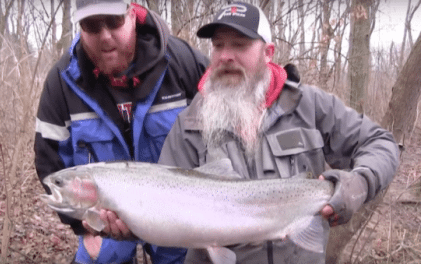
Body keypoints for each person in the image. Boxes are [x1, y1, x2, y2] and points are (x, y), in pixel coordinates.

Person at [85, 1, 399, 263]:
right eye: (219, 45)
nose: (225, 56)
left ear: (269, 52)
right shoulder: (189, 125)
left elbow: (381, 143)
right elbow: (165, 219)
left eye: (240, 45)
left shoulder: (311, 105)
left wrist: (357, 183)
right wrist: (129, 224)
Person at [34, 0, 209, 263]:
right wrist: (82, 226)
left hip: (181, 225)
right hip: (103, 232)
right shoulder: (62, 81)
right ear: (80, 27)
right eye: (92, 26)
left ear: (132, 13)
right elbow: (50, 162)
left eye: (114, 21)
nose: (105, 36)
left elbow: (230, 131)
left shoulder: (183, 63)